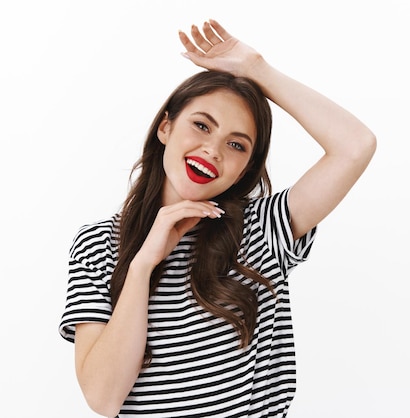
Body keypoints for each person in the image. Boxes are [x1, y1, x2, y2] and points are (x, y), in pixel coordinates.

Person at [58, 19, 376, 418]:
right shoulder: (98, 243)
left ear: (244, 169)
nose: (212, 151)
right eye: (201, 125)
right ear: (166, 126)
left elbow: (355, 145)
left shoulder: (263, 228)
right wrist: (142, 265)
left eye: (236, 144)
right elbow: (103, 399)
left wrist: (259, 70)